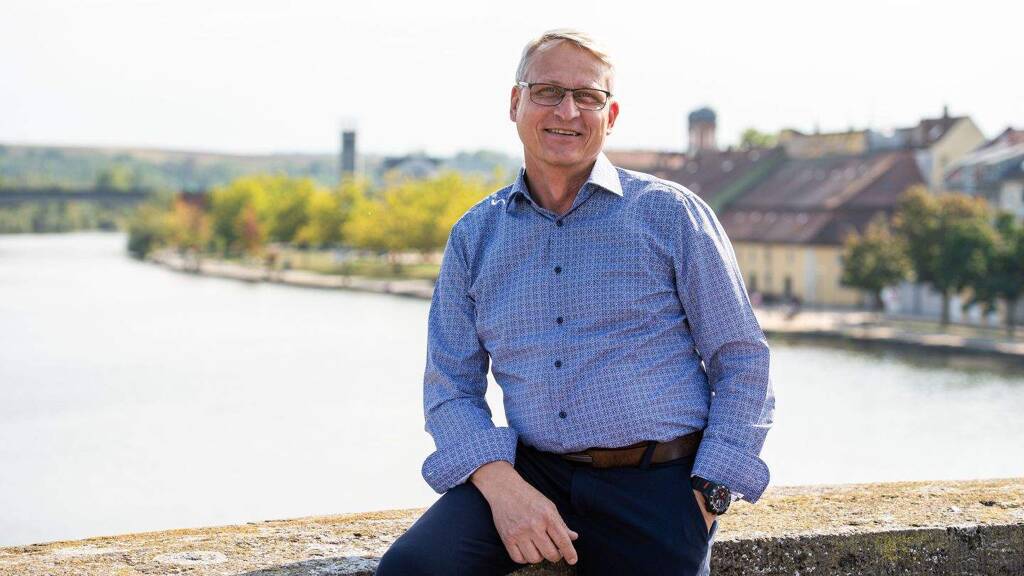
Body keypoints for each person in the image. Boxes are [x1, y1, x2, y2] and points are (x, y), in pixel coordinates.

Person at [376, 29, 774, 576]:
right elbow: (450, 391)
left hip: (658, 487)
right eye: (547, 91)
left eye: (588, 96)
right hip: (531, 474)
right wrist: (502, 486)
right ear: (515, 103)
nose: (567, 111)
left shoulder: (671, 215)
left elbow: (742, 359)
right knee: (412, 569)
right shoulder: (474, 237)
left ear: (610, 117)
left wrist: (709, 495)